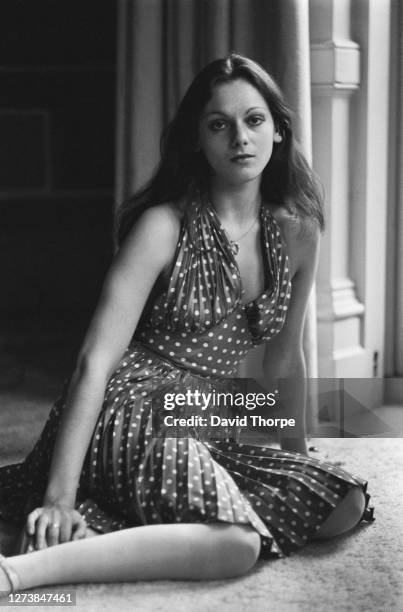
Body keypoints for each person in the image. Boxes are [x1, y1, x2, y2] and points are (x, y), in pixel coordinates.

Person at [0, 54, 373, 593]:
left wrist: (295, 456)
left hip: (209, 416)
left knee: (342, 501)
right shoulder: (163, 224)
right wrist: (58, 498)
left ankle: (131, 531)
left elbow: (285, 355)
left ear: (278, 131)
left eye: (254, 120)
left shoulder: (298, 231)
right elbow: (94, 362)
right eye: (219, 125)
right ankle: (21, 572)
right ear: (198, 139)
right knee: (237, 545)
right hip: (134, 406)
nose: (239, 138)